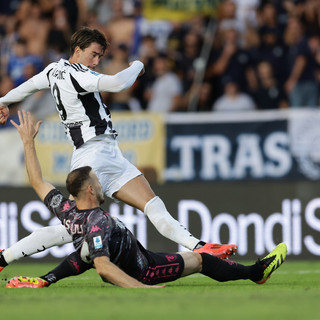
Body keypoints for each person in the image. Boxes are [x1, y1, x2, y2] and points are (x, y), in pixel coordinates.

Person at [0, 27, 237, 272]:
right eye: (93, 54)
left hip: (107, 153)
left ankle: (198, 245)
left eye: (100, 57)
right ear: (77, 50)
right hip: (92, 156)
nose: (95, 62)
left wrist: (4, 101)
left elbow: (28, 86)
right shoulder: (77, 74)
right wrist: (138, 64)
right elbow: (117, 83)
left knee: (151, 203)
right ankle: (4, 257)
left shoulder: (53, 70)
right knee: (71, 227)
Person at [5, 110, 287, 288]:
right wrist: (144, 288)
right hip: (145, 270)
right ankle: (257, 272)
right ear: (90, 189)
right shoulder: (97, 221)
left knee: (86, 253)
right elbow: (103, 268)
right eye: (98, 180)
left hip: (137, 256)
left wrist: (29, 143)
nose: (103, 183)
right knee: (200, 261)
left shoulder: (68, 211)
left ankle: (43, 280)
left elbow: (38, 182)